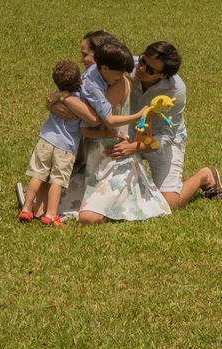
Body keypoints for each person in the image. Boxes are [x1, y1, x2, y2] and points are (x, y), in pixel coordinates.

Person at [103, 41, 222, 210]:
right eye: (143, 60)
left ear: (164, 76)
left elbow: (167, 135)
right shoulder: (129, 66)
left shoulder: (176, 90)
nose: (141, 69)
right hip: (126, 133)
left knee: (169, 203)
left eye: (150, 70)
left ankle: (205, 176)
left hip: (160, 139)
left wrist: (135, 147)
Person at [67, 40, 171, 224]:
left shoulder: (118, 79)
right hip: (92, 156)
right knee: (53, 203)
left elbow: (97, 118)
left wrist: (65, 100)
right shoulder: (94, 78)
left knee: (87, 218)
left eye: (86, 54)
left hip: (112, 158)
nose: (83, 60)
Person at [18, 61, 91, 226]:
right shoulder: (81, 100)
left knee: (37, 175)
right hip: (65, 147)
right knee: (57, 180)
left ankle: (26, 208)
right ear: (79, 80)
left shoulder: (56, 95)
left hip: (45, 140)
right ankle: (51, 214)